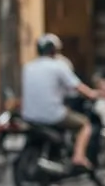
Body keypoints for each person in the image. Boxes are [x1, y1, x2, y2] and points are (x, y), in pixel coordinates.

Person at [21, 34, 98, 168]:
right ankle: (79, 156)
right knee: (85, 125)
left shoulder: (28, 67)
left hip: (29, 115)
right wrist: (92, 94)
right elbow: (77, 86)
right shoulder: (59, 66)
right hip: (51, 114)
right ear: (54, 50)